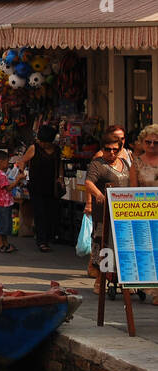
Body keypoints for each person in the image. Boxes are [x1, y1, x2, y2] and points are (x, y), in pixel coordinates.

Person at [83, 125, 131, 293]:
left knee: (123, 246)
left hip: (123, 212)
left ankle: (126, 282)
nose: (111, 153)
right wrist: (98, 195)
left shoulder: (125, 162)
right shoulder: (98, 164)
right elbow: (88, 182)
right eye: (108, 149)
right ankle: (100, 280)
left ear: (120, 149)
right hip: (104, 214)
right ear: (102, 148)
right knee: (104, 247)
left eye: (115, 150)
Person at [17, 124, 64, 254]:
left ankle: (49, 236)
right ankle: (42, 241)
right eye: (41, 141)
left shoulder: (57, 150)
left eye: (44, 142)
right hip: (36, 186)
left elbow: (59, 165)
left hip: (51, 186)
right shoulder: (34, 148)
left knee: (51, 212)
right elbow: (22, 161)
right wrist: (21, 172)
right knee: (40, 213)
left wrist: (60, 178)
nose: (42, 144)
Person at [129, 124, 158, 305]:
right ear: (142, 142)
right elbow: (133, 190)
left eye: (156, 142)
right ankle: (154, 290)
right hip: (145, 211)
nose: (152, 145)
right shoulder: (137, 163)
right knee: (150, 252)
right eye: (148, 142)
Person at [0, 150, 16, 254]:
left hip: (4, 203)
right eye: (6, 161)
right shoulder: (0, 174)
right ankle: (1, 244)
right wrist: (18, 180)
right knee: (2, 224)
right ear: (0, 162)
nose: (8, 163)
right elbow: (8, 188)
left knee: (5, 224)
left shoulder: (1, 173)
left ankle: (5, 243)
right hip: (2, 204)